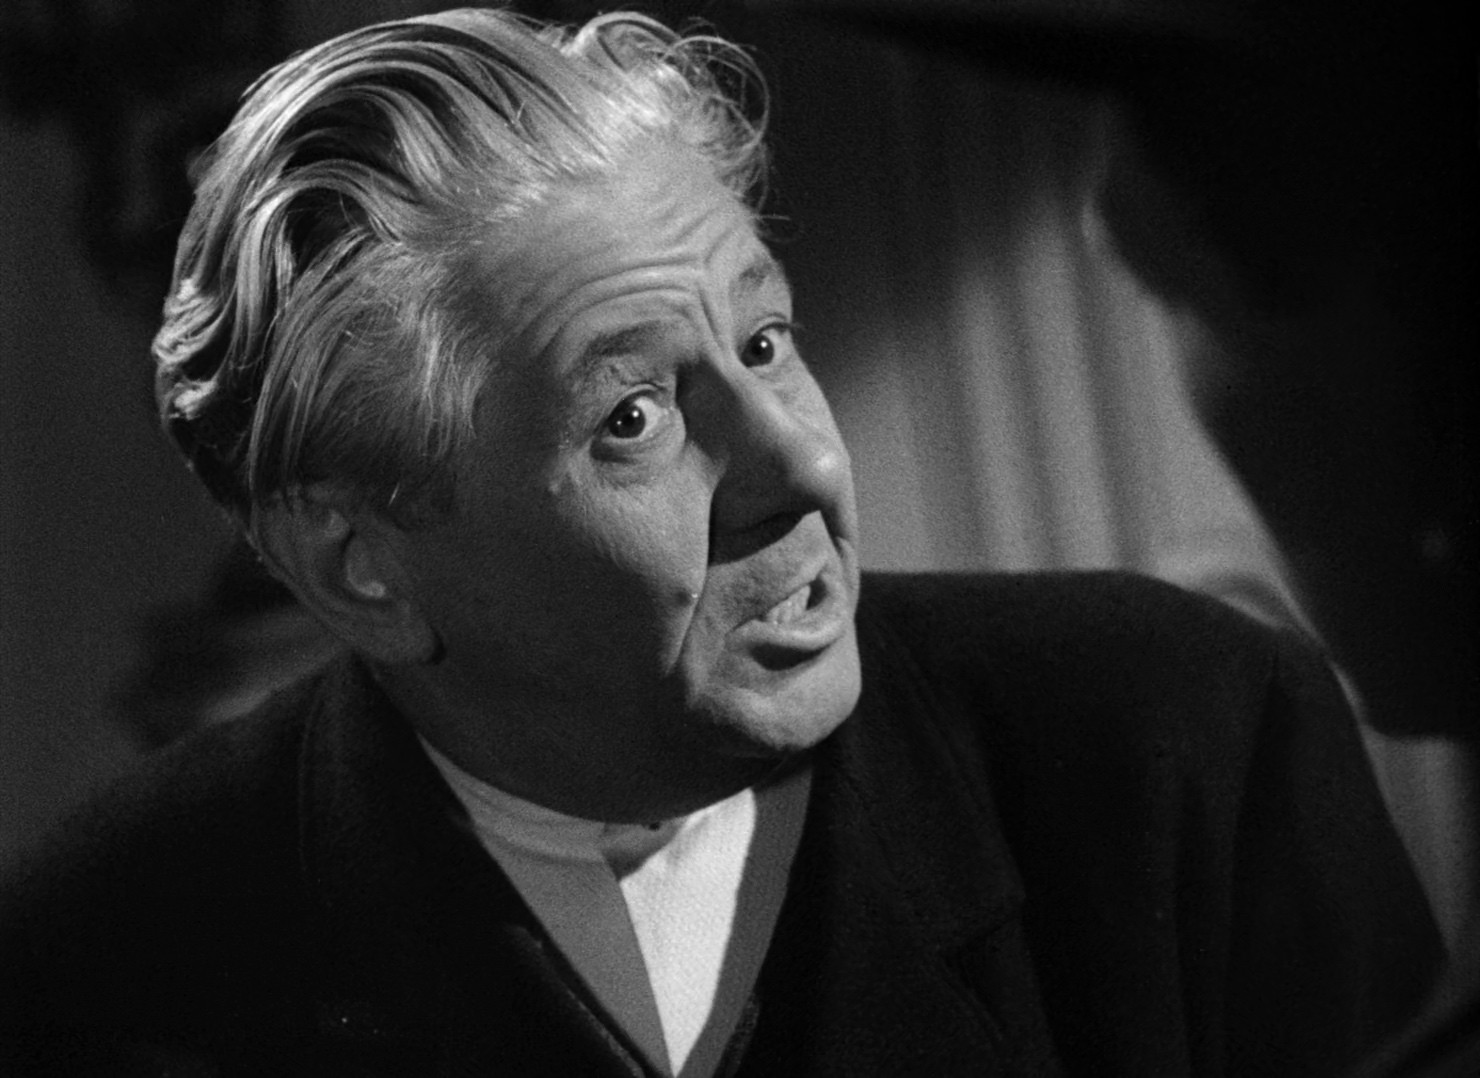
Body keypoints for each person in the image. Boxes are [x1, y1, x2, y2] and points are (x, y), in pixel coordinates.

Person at [0, 9, 1443, 1076]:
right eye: (633, 417)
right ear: (359, 566)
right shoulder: (99, 972)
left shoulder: (1188, 745)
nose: (802, 463)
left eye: (764, 341)